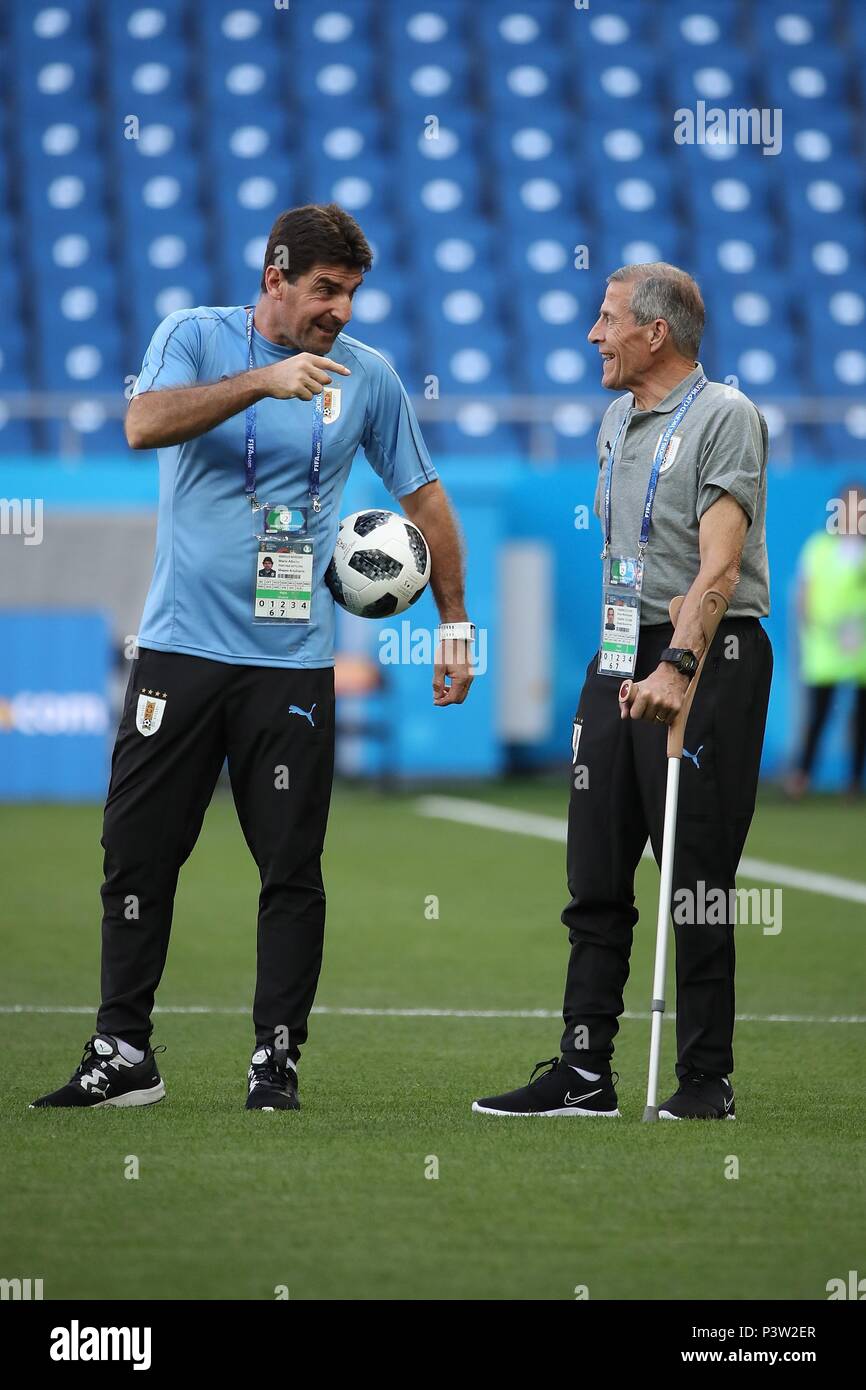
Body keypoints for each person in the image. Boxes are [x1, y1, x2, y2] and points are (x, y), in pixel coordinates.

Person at [32, 203, 475, 1113]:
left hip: (291, 663)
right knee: (137, 855)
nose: (341, 311)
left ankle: (276, 1058)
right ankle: (124, 1052)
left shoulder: (370, 379)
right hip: (179, 652)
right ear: (276, 278)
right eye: (325, 290)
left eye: (351, 293)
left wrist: (455, 624)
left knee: (291, 867)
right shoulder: (193, 337)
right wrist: (263, 382)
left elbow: (425, 499)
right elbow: (143, 423)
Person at [473, 262, 772, 1121]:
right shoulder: (613, 419)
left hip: (706, 651)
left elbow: (719, 563)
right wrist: (631, 663)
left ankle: (706, 1079)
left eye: (607, 320)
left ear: (656, 332)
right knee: (596, 869)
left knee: (697, 875)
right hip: (614, 652)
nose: (594, 335)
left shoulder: (727, 416)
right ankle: (583, 1069)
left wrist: (679, 666)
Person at [786, 484, 866, 798]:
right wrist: (815, 629)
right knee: (817, 715)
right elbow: (804, 593)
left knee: (861, 718)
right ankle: (801, 777)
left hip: (860, 647)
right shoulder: (818, 547)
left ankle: (854, 782)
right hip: (825, 647)